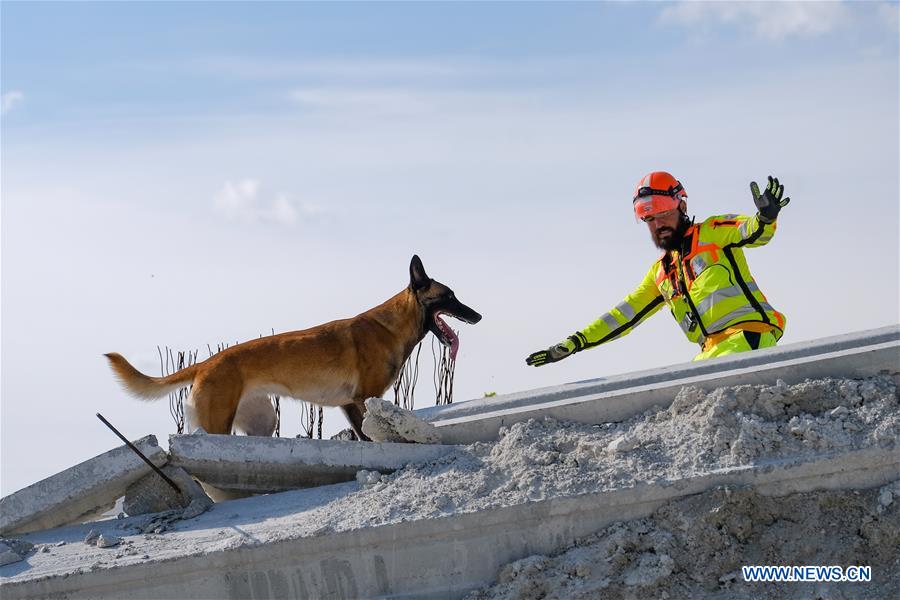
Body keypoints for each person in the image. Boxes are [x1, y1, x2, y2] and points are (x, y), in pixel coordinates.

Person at [526, 171, 790, 366]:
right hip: (709, 353)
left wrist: (766, 218)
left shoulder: (712, 232)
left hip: (748, 338)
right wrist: (576, 341)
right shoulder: (662, 273)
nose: (657, 224)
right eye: (649, 218)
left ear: (682, 206)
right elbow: (623, 315)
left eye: (664, 213)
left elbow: (754, 233)